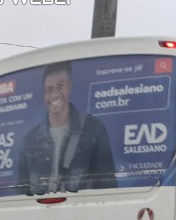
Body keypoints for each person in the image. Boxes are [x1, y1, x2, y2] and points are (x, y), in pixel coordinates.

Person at [18, 61, 116, 194]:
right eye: (49, 89)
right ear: (43, 94)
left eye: (61, 86)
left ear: (69, 87)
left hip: (85, 213)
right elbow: (21, 193)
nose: (55, 94)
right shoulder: (29, 140)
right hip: (39, 214)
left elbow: (108, 188)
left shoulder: (93, 128)